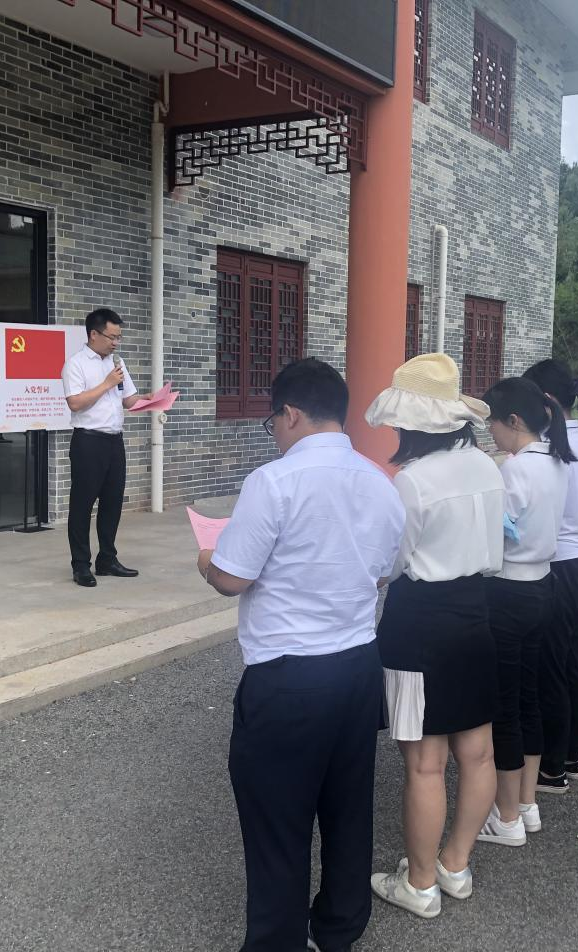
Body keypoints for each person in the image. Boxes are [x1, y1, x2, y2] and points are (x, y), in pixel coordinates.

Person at [198, 358, 404, 952]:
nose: (275, 435)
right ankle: (337, 928)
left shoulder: (275, 481)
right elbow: (384, 571)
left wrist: (206, 559)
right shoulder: (380, 481)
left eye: (273, 423)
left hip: (288, 676)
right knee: (348, 808)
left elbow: (232, 577)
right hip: (357, 667)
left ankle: (277, 941)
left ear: (289, 414)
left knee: (277, 821)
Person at [365, 353, 503, 921]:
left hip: (421, 620)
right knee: (478, 751)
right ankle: (455, 864)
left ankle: (420, 883)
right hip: (476, 613)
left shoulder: (413, 481)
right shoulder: (487, 466)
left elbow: (392, 562)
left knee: (425, 763)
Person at [476, 377, 572, 846]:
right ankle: (527, 803)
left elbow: (499, 530)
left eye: (492, 423)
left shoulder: (514, 469)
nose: (490, 432)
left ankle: (507, 816)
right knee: (528, 696)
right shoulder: (556, 461)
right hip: (542, 586)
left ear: (513, 421)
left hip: (508, 590)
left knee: (505, 706)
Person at [523, 359, 578, 793]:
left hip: (562, 563)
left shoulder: (550, 447)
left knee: (550, 668)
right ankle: (570, 756)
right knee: (570, 661)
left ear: (547, 402)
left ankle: (551, 767)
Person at [62, 308, 141, 587]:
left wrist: (156, 398)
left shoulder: (117, 363)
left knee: (112, 502)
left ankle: (107, 559)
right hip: (88, 442)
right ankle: (81, 565)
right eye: (112, 337)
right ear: (94, 334)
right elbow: (75, 403)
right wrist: (107, 383)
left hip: (114, 441)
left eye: (119, 337)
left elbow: (129, 400)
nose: (116, 343)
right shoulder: (75, 364)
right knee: (82, 505)